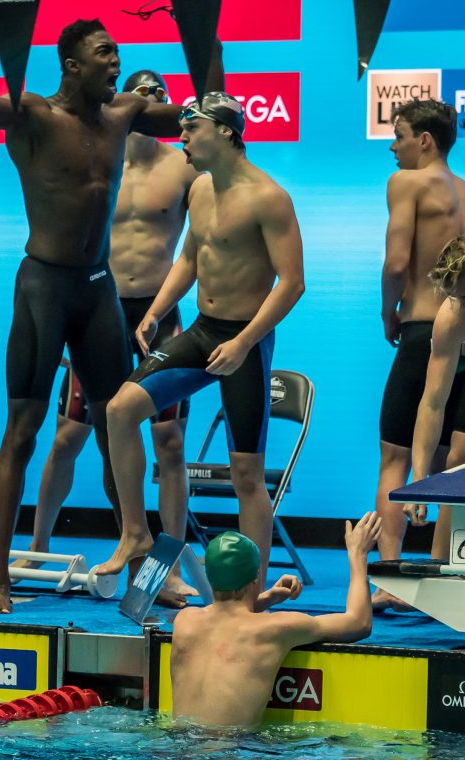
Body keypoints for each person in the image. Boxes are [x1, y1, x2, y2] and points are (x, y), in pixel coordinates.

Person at [0, 0, 222, 613]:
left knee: (115, 428)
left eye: (117, 52)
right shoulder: (34, 114)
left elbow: (205, 115)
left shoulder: (124, 112)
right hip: (45, 288)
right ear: (71, 65)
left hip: (100, 292)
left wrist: (203, 38)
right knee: (22, 433)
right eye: (104, 53)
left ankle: (137, 556)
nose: (116, 63)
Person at [12, 70, 200, 607]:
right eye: (139, 95)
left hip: (159, 316)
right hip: (100, 310)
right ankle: (38, 544)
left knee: (169, 444)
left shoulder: (183, 166)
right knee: (69, 436)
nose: (149, 104)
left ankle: (164, 567)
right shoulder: (100, 157)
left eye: (157, 97)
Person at [105, 92, 305, 592]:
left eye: (191, 128)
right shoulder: (199, 191)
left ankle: (251, 593)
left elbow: (292, 282)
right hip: (200, 331)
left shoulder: (268, 197)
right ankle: (135, 533)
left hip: (245, 343)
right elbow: (190, 261)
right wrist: (154, 311)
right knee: (119, 410)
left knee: (246, 476)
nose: (182, 137)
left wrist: (244, 343)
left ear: (226, 132)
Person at [373, 99, 465, 610]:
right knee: (457, 463)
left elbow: (397, 261)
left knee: (395, 455)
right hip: (463, 328)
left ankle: (389, 579)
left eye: (401, 134)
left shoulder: (405, 183)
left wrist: (390, 310)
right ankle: (439, 574)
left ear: (425, 140)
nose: (393, 144)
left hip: (424, 325)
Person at [170, 514, 382, 727]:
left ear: (209, 577)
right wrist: (358, 555)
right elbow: (359, 622)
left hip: (175, 746)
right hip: (229, 748)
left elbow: (225, 613)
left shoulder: (185, 621)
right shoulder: (274, 628)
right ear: (256, 578)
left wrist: (267, 597)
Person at [405, 235, 465, 561]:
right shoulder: (453, 314)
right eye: (456, 297)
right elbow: (432, 403)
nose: (461, 304)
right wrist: (419, 479)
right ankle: (443, 566)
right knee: (456, 465)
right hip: (461, 364)